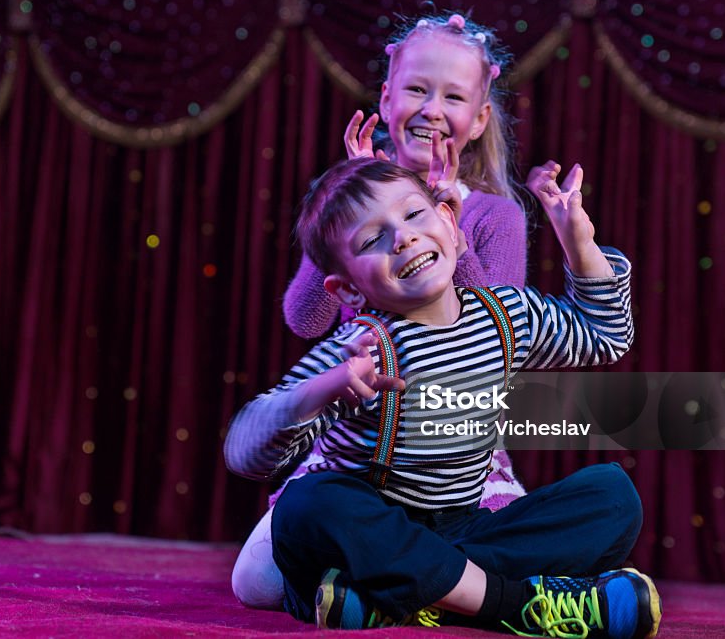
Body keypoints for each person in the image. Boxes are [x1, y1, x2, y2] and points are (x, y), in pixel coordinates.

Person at [225, 158, 661, 638]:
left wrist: (579, 242)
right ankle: (516, 604)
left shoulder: (506, 314)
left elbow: (605, 336)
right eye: (372, 240)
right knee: (306, 504)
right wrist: (319, 389)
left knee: (613, 497)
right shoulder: (359, 351)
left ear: (451, 225)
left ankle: (398, 597)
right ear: (347, 288)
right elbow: (245, 453)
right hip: (374, 533)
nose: (403, 238)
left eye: (414, 215)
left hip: (465, 530)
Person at [231, 12, 529, 610]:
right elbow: (306, 319)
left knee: (530, 535)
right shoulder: (351, 198)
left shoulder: (494, 216)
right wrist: (346, 202)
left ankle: (391, 587)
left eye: (453, 96)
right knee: (256, 583)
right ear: (388, 95)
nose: (432, 109)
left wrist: (452, 228)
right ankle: (416, 586)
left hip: (451, 448)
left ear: (480, 118)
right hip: (359, 438)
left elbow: (498, 337)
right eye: (417, 89)